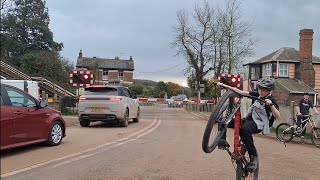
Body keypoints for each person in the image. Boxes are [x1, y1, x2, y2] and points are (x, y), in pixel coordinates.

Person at [217, 77, 281, 171]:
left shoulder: (271, 99)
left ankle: (253, 156)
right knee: (224, 120)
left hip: (259, 124)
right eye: (259, 88)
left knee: (245, 129)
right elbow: (240, 92)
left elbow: (278, 116)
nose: (260, 91)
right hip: (248, 120)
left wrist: (271, 105)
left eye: (264, 90)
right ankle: (222, 140)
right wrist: (223, 85)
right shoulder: (256, 95)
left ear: (270, 91)